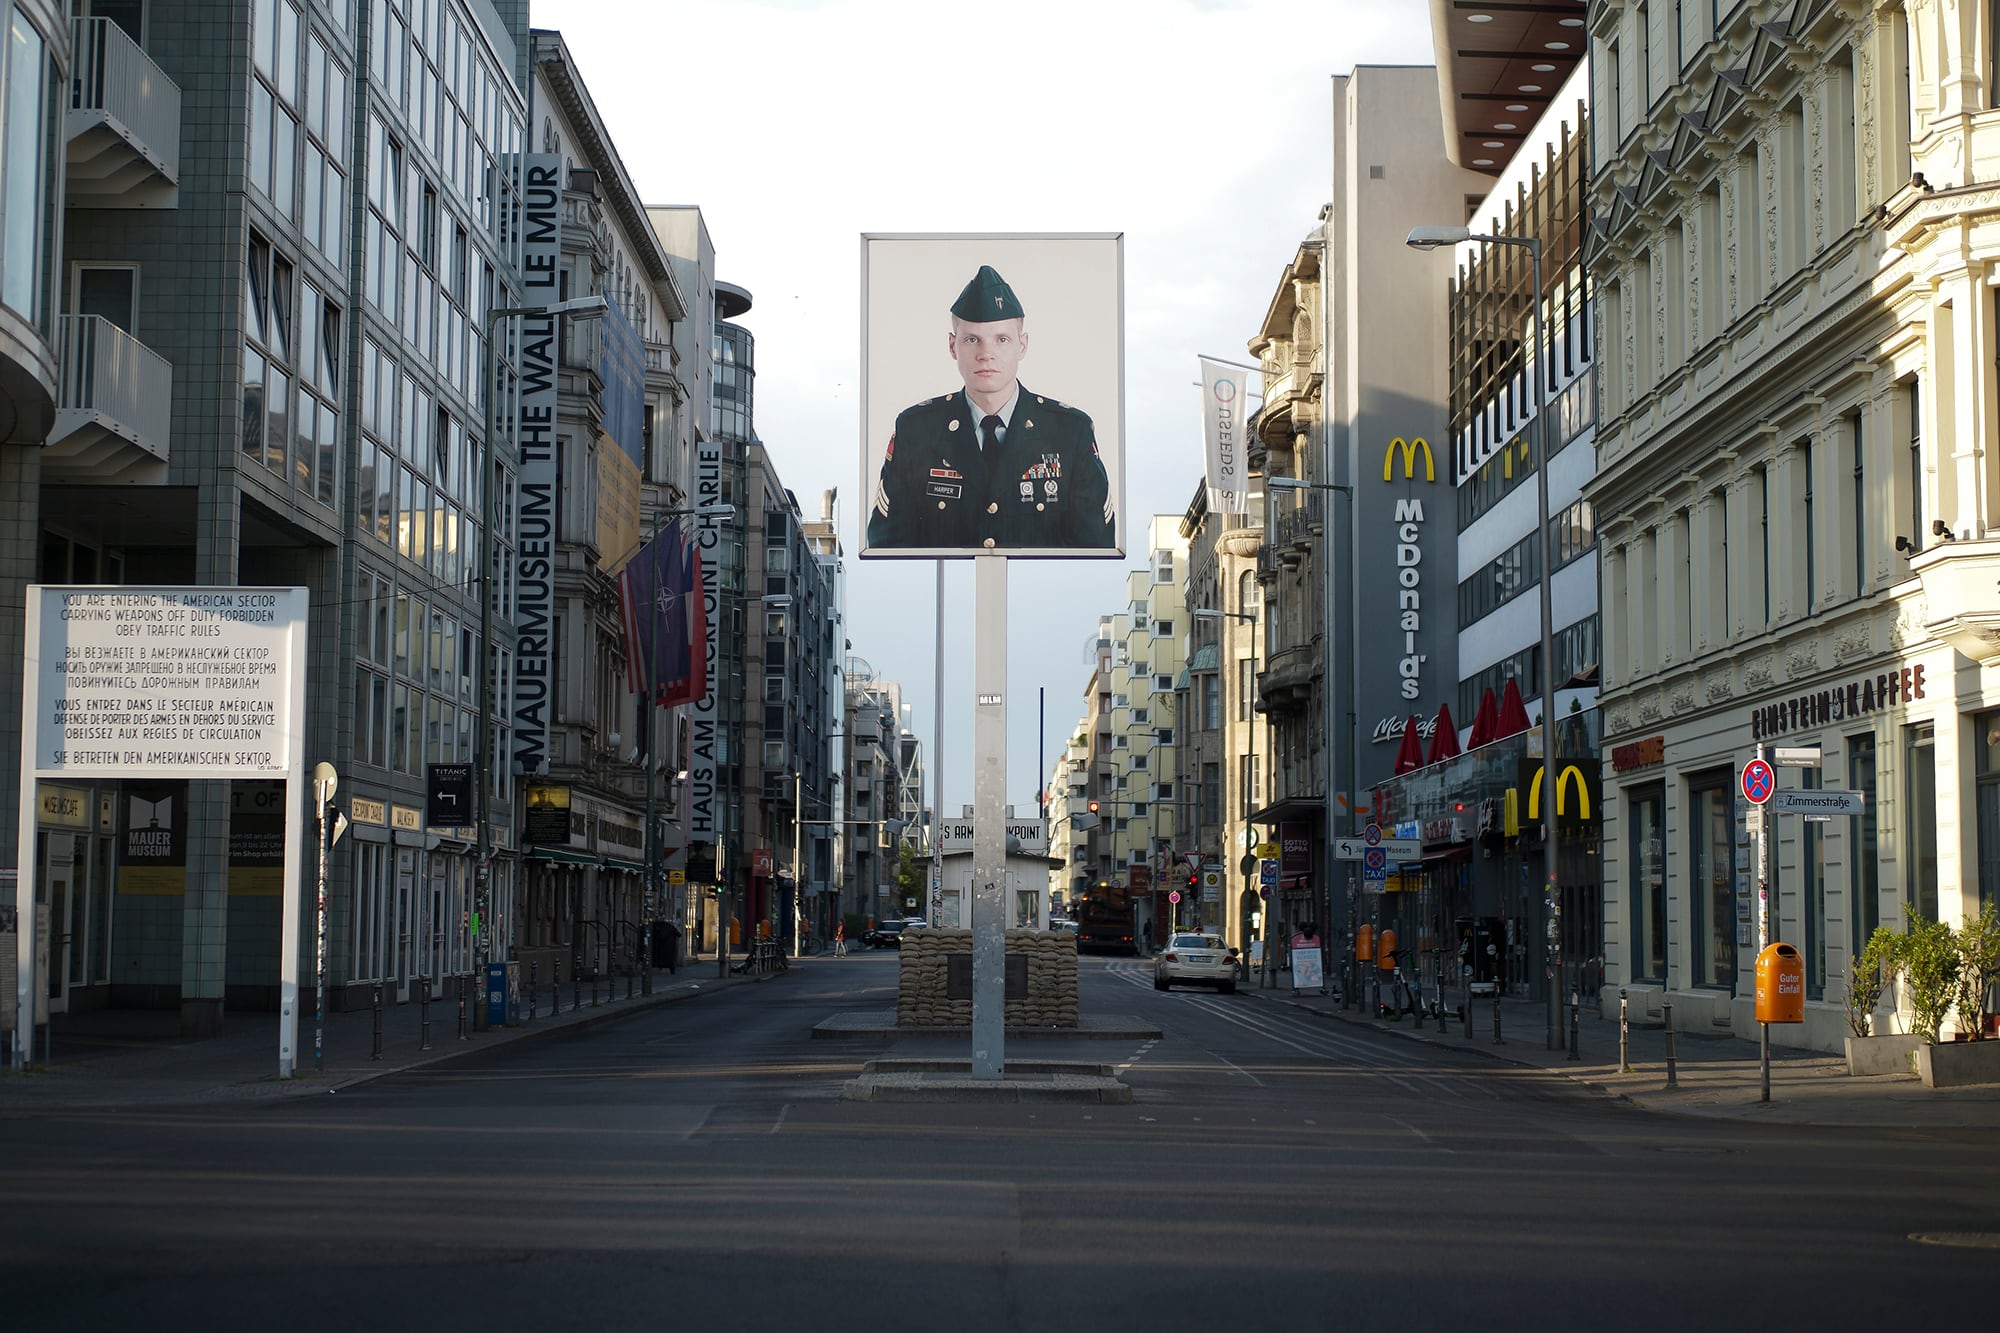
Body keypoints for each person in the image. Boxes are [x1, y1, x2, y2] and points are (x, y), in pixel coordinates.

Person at [867, 264, 1115, 551]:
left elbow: (1095, 547)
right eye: (972, 340)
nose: (986, 354)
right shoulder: (916, 430)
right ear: (952, 346)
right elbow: (888, 546)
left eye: (1002, 340)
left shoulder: (1070, 432)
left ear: (1022, 345)